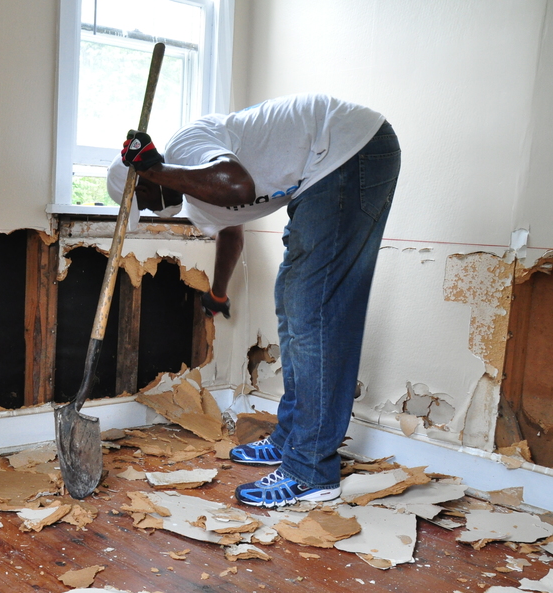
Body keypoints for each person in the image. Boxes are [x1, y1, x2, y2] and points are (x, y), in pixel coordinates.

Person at [108, 93, 400, 508]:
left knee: (313, 312)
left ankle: (311, 470)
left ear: (147, 181)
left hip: (348, 150)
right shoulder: (194, 193)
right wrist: (218, 291)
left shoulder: (187, 149)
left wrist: (157, 166)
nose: (153, 212)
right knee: (294, 300)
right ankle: (291, 442)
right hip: (331, 166)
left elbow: (237, 184)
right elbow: (231, 229)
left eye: (143, 204)